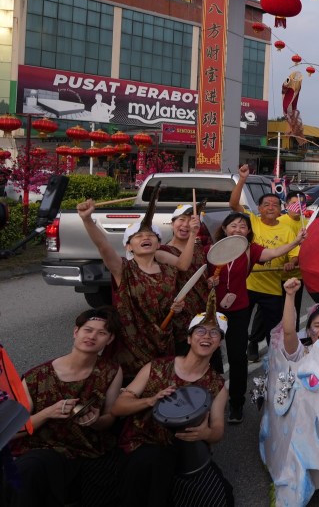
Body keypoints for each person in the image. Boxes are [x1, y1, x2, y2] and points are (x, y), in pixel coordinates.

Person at [112, 310, 233, 507]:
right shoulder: (156, 367)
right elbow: (118, 407)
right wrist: (150, 401)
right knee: (153, 466)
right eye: (200, 331)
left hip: (185, 452)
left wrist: (206, 433)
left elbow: (218, 430)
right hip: (143, 444)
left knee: (221, 498)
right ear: (189, 338)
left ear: (219, 343)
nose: (207, 336)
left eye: (214, 333)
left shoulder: (217, 385)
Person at [7, 308, 123, 507]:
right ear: (76, 332)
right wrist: (47, 413)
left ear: (110, 339)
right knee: (30, 469)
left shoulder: (111, 371)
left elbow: (109, 418)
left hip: (89, 449)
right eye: (88, 330)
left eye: (101, 333)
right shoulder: (38, 376)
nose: (92, 336)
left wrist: (95, 421)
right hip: (46, 448)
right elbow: (11, 429)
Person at [209, 212, 304, 423]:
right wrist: (208, 282)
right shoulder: (210, 250)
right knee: (210, 356)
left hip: (239, 310)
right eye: (233, 225)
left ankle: (236, 404)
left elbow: (275, 252)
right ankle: (211, 398)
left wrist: (296, 241)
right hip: (212, 311)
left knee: (237, 356)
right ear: (224, 229)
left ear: (248, 231)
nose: (238, 229)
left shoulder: (250, 250)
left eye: (243, 226)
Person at [76, 199, 179, 378]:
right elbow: (103, 245)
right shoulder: (123, 269)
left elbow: (170, 302)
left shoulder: (170, 271)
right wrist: (87, 220)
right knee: (127, 388)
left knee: (160, 387)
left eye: (151, 235)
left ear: (158, 244)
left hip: (163, 342)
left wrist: (176, 308)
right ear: (129, 246)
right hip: (130, 348)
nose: (145, 238)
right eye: (138, 236)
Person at [229, 165, 302, 363]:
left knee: (274, 332)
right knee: (240, 327)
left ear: (280, 210)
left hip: (272, 289)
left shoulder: (287, 230)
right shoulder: (251, 221)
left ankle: (275, 365)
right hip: (247, 285)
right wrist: (242, 179)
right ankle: (243, 354)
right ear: (259, 209)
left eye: (275, 205)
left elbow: (294, 255)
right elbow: (233, 203)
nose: (271, 207)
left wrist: (291, 262)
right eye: (266, 204)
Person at [156, 205, 209, 348]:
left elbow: (203, 276)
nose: (185, 225)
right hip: (179, 314)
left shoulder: (199, 248)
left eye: (190, 220)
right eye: (181, 219)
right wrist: (193, 235)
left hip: (203, 311)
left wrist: (211, 281)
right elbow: (183, 266)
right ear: (172, 223)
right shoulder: (161, 251)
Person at [281, 278, 319, 361]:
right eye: (317, 325)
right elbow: (288, 332)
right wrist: (290, 295)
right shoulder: (302, 354)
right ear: (309, 331)